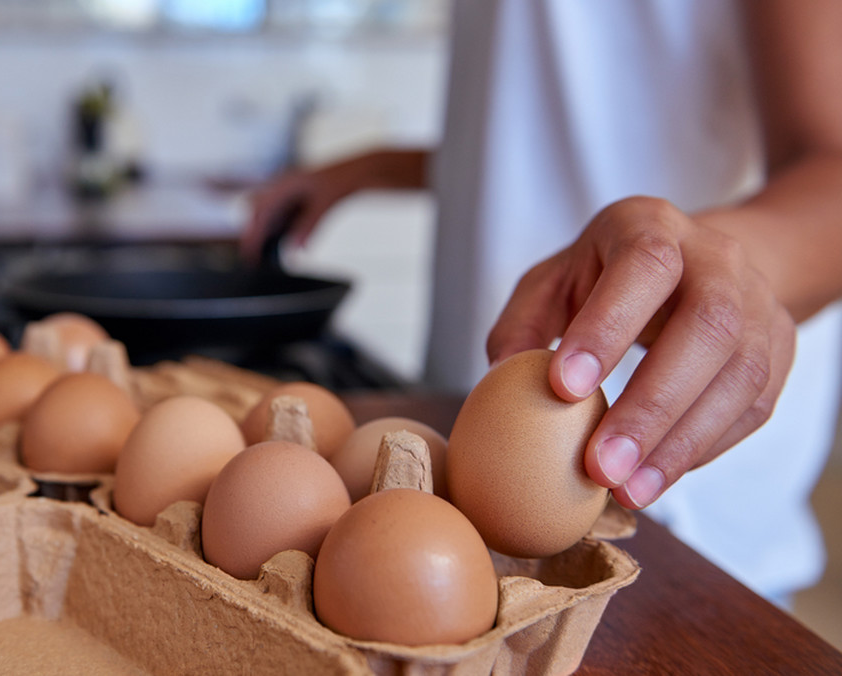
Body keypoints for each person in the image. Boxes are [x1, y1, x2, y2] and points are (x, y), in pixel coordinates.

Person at [242, 0, 842, 604]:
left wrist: (725, 270)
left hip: (662, 492)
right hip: (469, 443)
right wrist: (374, 167)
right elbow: (536, 126)